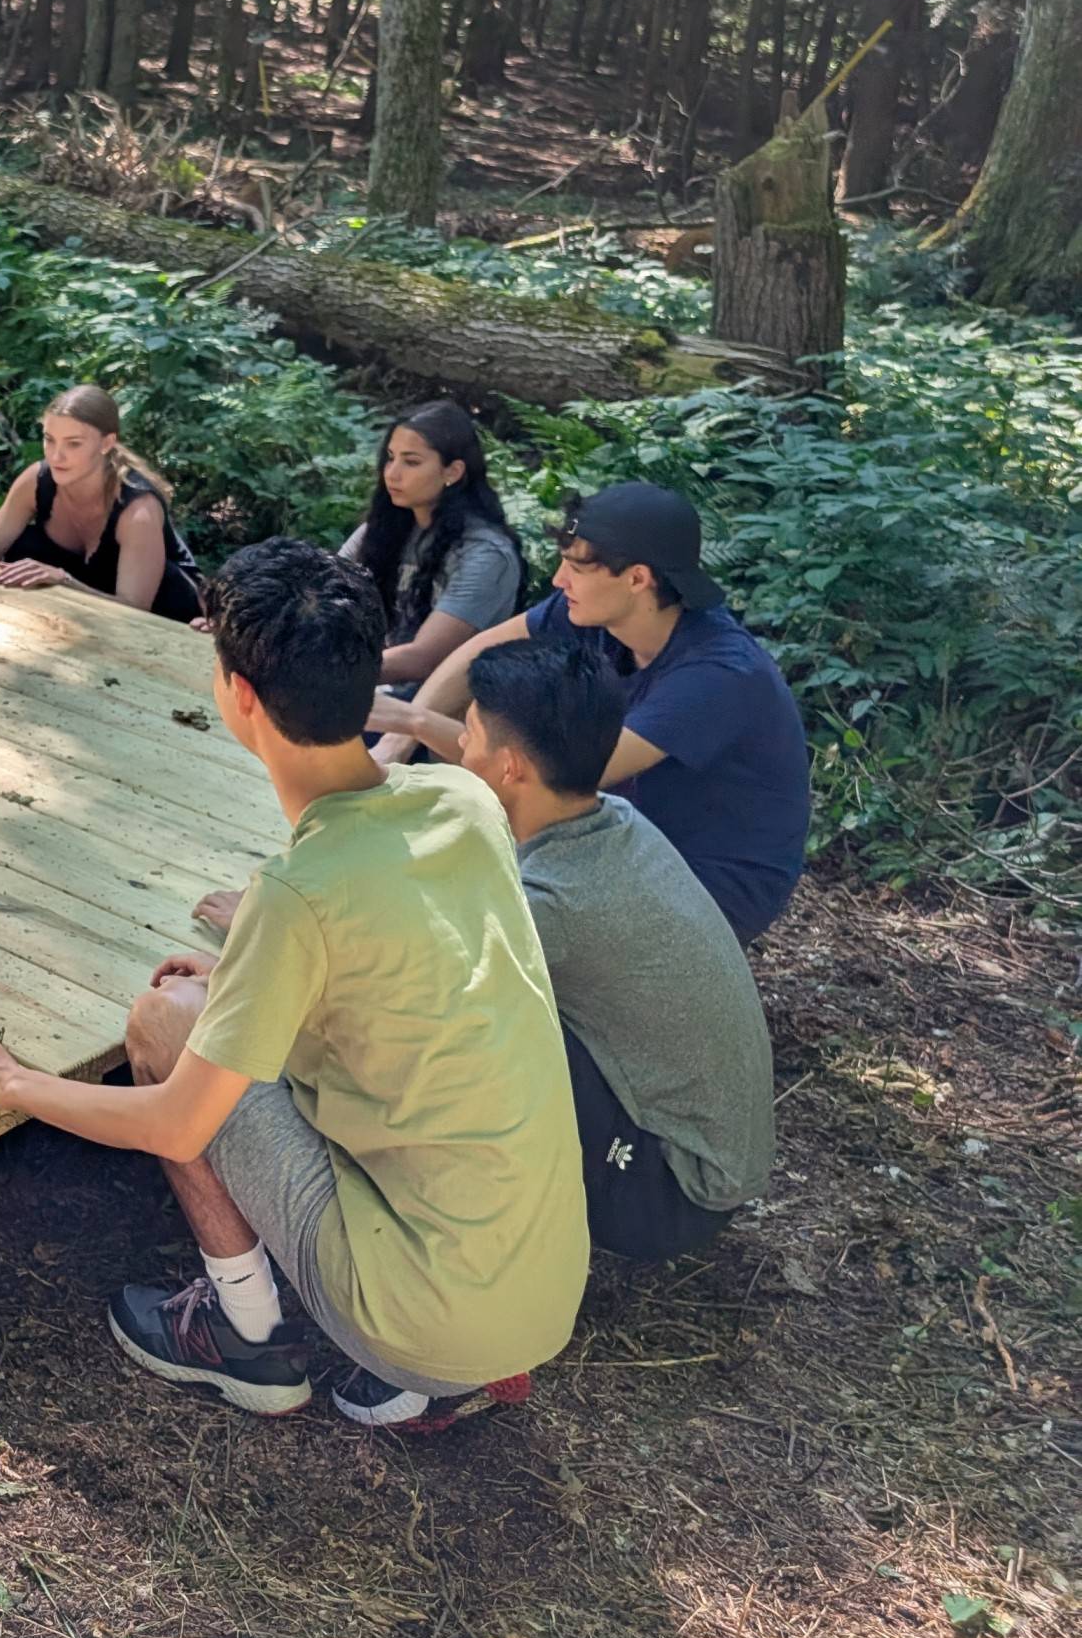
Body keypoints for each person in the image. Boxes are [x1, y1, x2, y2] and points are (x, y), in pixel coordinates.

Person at [0, 540, 588, 1429]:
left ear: (239, 696)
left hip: (420, 1323)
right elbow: (403, 969)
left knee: (165, 1020)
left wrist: (7, 1081)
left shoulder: (297, 896)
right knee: (226, 1012)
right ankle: (409, 1361)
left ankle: (246, 1335)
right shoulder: (464, 806)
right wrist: (251, 965)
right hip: (540, 1297)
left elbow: (174, 1121)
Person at [373, 481, 811, 947]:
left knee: (445, 907)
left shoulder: (717, 675)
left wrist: (412, 722)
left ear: (638, 578)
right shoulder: (598, 610)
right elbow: (480, 655)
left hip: (708, 884)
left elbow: (557, 779)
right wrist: (398, 740)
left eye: (577, 567)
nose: (559, 581)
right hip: (620, 839)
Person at [459, 640, 774, 1262]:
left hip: (668, 1195)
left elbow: (405, 982)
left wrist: (276, 943)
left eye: (469, 736)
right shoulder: (618, 820)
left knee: (459, 1026)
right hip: (714, 1165)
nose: (459, 750)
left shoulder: (555, 903)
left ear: (510, 767)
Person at [0, 384, 205, 619]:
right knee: (26, 550)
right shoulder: (36, 481)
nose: (56, 456)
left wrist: (64, 581)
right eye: (49, 439)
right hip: (84, 608)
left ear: (106, 443)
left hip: (168, 615)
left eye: (73, 444)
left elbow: (134, 610)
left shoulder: (138, 511)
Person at [336, 401, 521, 695]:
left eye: (411, 462)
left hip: (441, 715)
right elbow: (323, 594)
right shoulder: (382, 529)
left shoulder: (485, 554)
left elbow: (424, 659)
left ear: (453, 472)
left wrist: (323, 673)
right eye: (390, 458)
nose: (392, 474)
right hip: (372, 689)